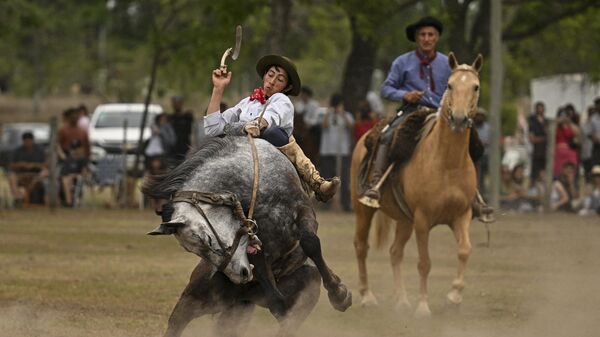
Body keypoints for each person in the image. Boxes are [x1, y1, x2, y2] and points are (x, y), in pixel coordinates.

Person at [204, 54, 339, 202]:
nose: (272, 81)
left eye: (280, 80)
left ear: (287, 87)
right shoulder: (247, 102)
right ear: (264, 75)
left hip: (270, 153)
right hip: (239, 152)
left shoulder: (282, 101)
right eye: (270, 74)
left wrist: (255, 125)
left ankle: (316, 182)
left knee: (273, 133)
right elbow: (213, 128)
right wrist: (218, 89)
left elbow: (269, 118)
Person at [363, 16, 451, 203]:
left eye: (431, 35)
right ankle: (376, 183)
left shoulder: (447, 63)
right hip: (412, 112)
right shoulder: (402, 62)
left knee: (469, 137)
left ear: (437, 38)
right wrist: (405, 95)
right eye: (423, 35)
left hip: (440, 114)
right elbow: (386, 89)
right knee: (387, 135)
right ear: (417, 38)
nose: (427, 38)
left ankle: (472, 194)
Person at [320, 93, 355, 211]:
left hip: (342, 151)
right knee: (327, 177)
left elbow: (351, 126)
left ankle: (345, 203)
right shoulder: (327, 115)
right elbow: (323, 126)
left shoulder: (347, 115)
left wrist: (342, 113)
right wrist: (328, 112)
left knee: (344, 178)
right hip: (328, 150)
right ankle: (326, 202)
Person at [58, 107, 91, 207]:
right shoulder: (63, 130)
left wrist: (86, 164)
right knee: (66, 178)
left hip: (80, 162)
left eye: (76, 116)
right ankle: (68, 201)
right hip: (67, 161)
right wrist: (62, 155)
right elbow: (57, 145)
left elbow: (87, 149)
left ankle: (77, 199)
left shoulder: (82, 132)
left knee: (80, 177)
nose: (75, 118)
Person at [8, 132, 48, 206]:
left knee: (45, 172)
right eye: (26, 141)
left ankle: (31, 189)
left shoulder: (40, 150)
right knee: (11, 176)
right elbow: (11, 165)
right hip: (21, 174)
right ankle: (17, 198)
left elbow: (46, 165)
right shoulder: (17, 151)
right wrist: (22, 164)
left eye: (29, 141)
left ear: (33, 140)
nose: (28, 143)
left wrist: (34, 165)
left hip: (36, 175)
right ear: (23, 141)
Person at [294, 85, 323, 163]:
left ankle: (318, 151)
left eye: (305, 95)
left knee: (319, 130)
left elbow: (316, 118)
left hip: (311, 126)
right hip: (300, 126)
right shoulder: (298, 105)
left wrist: (310, 124)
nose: (303, 96)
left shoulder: (314, 105)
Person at [553, 108, 580, 178]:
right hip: (558, 151)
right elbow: (550, 129)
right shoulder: (556, 125)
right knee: (559, 172)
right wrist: (559, 120)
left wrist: (569, 122)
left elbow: (577, 133)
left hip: (570, 151)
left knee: (571, 171)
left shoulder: (569, 125)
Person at [169, 96, 194, 164]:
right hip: (172, 149)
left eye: (178, 103)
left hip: (184, 147)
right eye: (175, 103)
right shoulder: (170, 118)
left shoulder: (187, 117)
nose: (176, 105)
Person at [527, 101, 548, 183]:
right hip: (536, 152)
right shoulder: (532, 121)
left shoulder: (546, 122)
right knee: (535, 175)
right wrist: (544, 139)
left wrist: (542, 124)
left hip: (545, 152)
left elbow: (549, 134)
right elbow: (532, 139)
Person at [474, 107, 491, 195]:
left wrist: (484, 143)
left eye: (481, 116)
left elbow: (492, 140)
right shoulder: (472, 127)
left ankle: (486, 193)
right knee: (477, 176)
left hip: (486, 154)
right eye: (478, 115)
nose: (479, 118)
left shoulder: (488, 128)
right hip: (476, 155)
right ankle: (478, 193)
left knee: (485, 175)